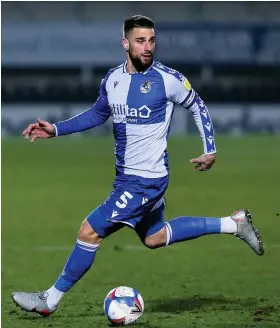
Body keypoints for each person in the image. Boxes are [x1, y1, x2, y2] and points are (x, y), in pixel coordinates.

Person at [12, 15, 264, 317]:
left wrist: (210, 149)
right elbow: (96, 114)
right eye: (140, 41)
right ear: (125, 43)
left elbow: (197, 104)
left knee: (89, 231)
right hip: (126, 179)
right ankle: (233, 223)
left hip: (145, 182)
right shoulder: (113, 79)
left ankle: (48, 301)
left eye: (152, 40)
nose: (147, 47)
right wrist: (54, 129)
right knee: (154, 237)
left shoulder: (167, 78)